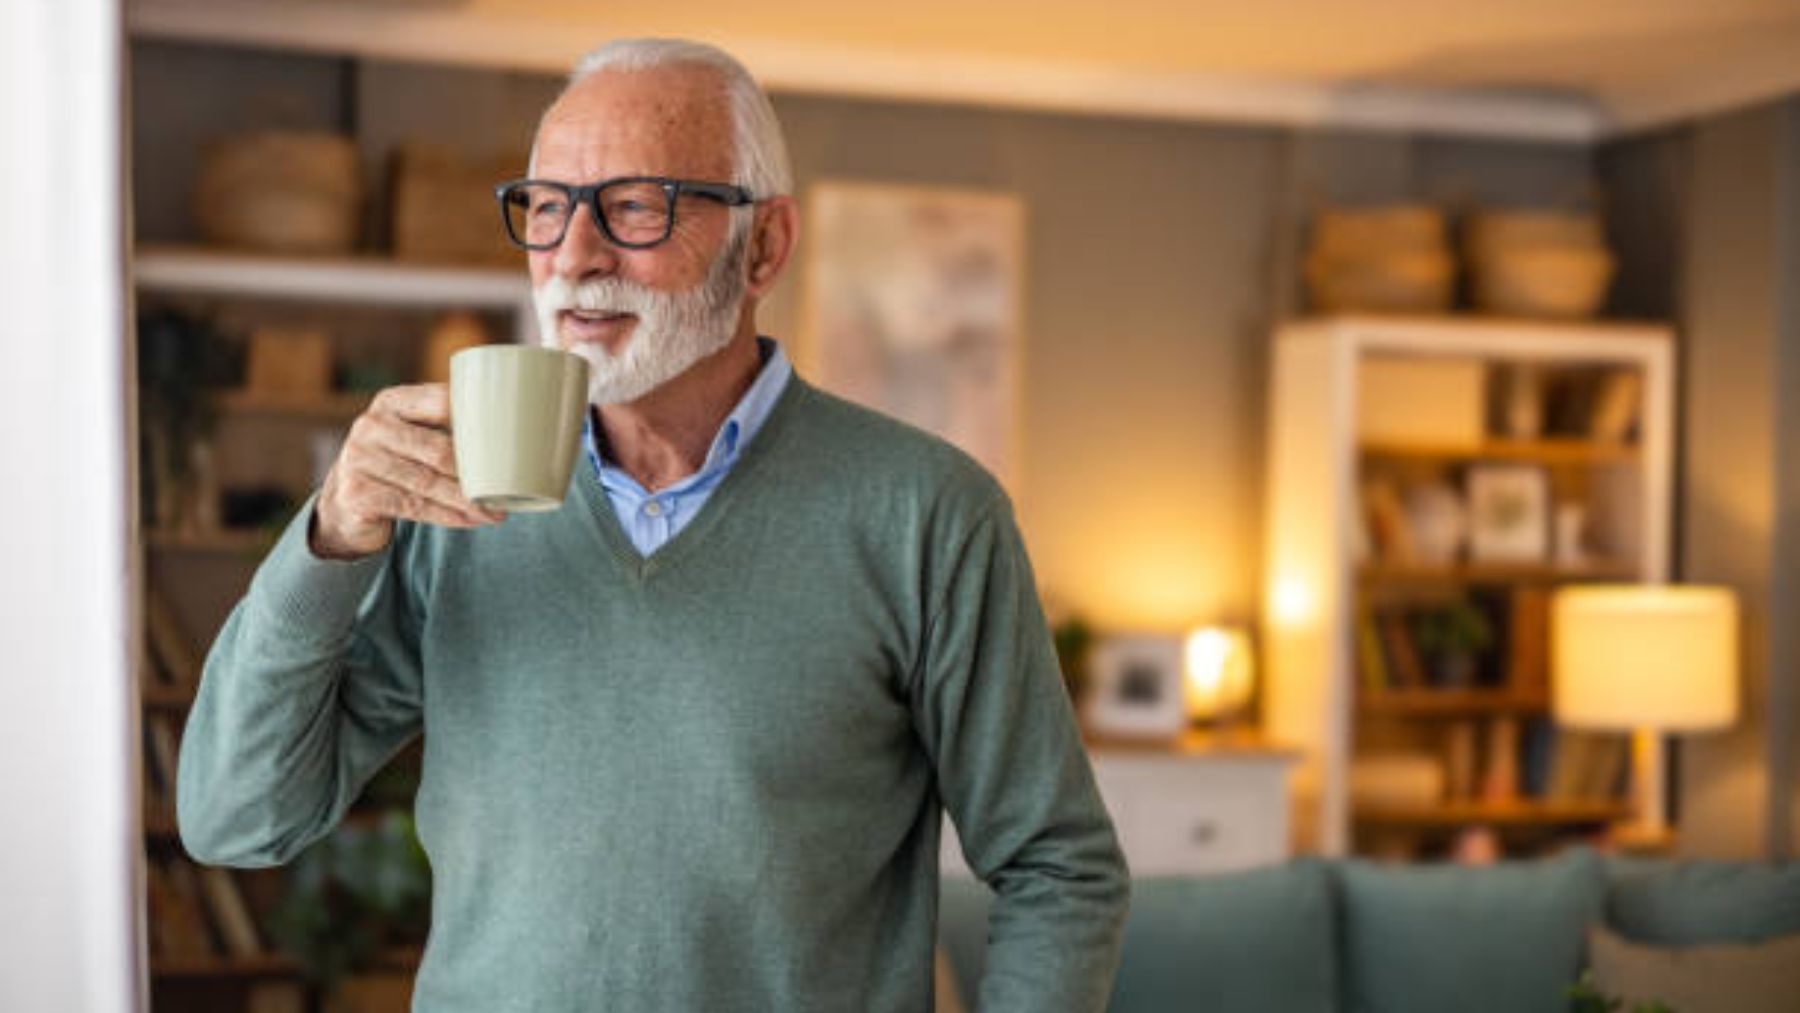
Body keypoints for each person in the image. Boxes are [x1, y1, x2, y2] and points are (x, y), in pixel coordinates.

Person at [178, 37, 1128, 1011]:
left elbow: (1058, 864)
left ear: (763, 246)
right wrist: (332, 536)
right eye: (548, 209)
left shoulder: (928, 513)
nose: (576, 258)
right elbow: (236, 819)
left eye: (635, 206)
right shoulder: (446, 503)